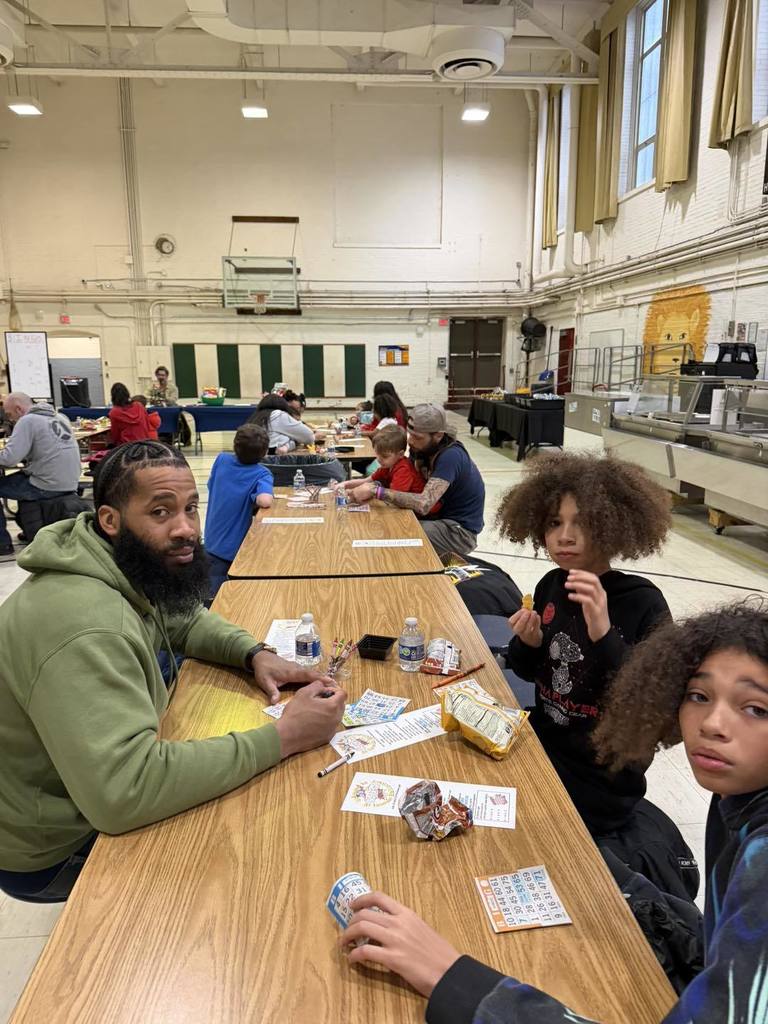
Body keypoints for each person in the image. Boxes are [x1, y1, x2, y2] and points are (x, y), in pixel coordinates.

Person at [339, 602, 768, 1024]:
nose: (712, 722)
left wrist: (451, 978)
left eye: (755, 708)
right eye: (699, 695)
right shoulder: (739, 795)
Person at [0, 440, 345, 902]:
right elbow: (124, 792)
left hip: (87, 792)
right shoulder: (85, 625)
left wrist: (253, 654)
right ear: (110, 519)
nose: (186, 529)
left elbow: (184, 615)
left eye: (190, 508)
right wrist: (288, 735)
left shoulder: (111, 557)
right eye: (160, 512)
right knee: (262, 868)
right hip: (55, 846)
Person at [498, 452, 671, 839]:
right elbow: (529, 670)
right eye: (554, 523)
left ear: (613, 527)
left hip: (602, 781)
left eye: (582, 523)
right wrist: (529, 642)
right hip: (545, 747)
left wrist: (604, 634)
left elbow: (656, 709)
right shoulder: (550, 585)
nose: (565, 536)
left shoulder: (643, 602)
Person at [350, 404, 484, 558]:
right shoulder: (421, 448)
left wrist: (376, 491)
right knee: (383, 519)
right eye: (410, 434)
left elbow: (423, 504)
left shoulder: (451, 457)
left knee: (393, 532)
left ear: (438, 435)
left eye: (417, 437)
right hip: (436, 519)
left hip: (458, 531)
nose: (411, 442)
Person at [0, 392, 82, 561]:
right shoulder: (61, 417)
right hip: (71, 481)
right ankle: (28, 527)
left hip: (46, 485)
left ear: (18, 409)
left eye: (9, 415)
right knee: (19, 481)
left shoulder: (27, 420)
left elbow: (9, 458)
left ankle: (2, 544)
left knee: (12, 484)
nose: (11, 420)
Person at [205, 424, 274, 599]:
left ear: (235, 445)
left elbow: (211, 484)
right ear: (265, 452)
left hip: (211, 541)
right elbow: (264, 500)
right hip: (233, 550)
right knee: (231, 596)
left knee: (212, 596)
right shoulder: (262, 474)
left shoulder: (221, 460)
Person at [344, 426, 440, 515]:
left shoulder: (403, 470)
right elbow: (365, 481)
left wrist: (364, 493)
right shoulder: (388, 465)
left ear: (400, 454)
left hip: (426, 513)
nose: (379, 459)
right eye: (377, 454)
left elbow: (393, 499)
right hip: (407, 509)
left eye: (385, 456)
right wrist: (344, 485)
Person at [248, 394, 315, 453]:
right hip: (271, 459)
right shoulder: (278, 414)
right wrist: (295, 439)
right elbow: (309, 437)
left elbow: (281, 448)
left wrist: (287, 445)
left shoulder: (256, 416)